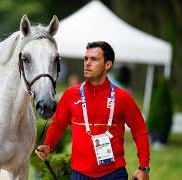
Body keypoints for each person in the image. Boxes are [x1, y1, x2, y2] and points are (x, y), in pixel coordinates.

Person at [35, 41, 150, 180]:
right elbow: (58, 124)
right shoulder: (71, 94)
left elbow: (140, 131)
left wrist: (143, 167)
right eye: (86, 58)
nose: (87, 63)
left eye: (94, 59)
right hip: (80, 174)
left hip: (113, 174)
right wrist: (48, 146)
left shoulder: (123, 97)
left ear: (108, 65)